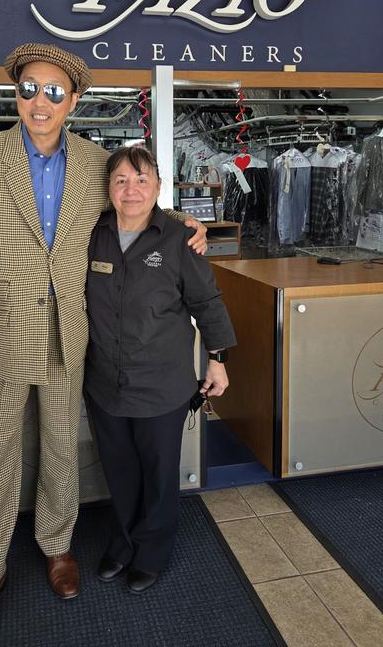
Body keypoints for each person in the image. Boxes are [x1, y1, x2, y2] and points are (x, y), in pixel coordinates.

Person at [0, 42, 208, 647]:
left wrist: (185, 222)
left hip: (71, 333)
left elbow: (135, 202)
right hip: (3, 334)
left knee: (62, 449)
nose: (41, 101)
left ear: (74, 100)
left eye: (55, 92)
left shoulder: (95, 162)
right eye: (29, 89)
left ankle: (57, 547)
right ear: (17, 94)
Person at [84, 145, 236, 593]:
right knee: (119, 469)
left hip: (161, 384)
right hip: (104, 382)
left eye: (141, 180)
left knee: (158, 472)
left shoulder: (178, 239)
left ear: (158, 187)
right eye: (121, 180)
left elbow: (207, 302)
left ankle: (152, 550)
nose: (131, 190)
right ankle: (124, 541)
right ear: (108, 188)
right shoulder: (91, 234)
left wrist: (218, 360)